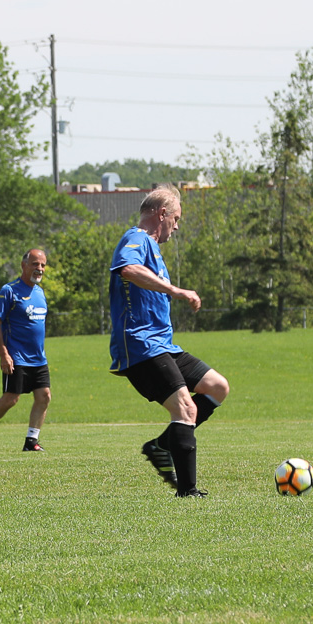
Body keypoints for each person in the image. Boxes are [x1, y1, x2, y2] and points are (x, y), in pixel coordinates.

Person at [108, 185, 231, 498]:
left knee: (217, 387)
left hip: (162, 345)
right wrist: (175, 290)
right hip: (141, 345)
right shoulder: (136, 238)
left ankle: (162, 445)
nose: (176, 226)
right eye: (176, 218)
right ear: (162, 214)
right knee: (186, 408)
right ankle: (187, 492)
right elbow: (128, 269)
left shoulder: (153, 249)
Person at [0, 249, 52, 452]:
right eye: (35, 264)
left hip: (38, 358)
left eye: (42, 265)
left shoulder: (40, 292)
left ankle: (31, 441)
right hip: (16, 357)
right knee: (10, 399)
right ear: (23, 265)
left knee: (44, 396)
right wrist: (4, 354)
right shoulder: (9, 291)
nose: (39, 269)